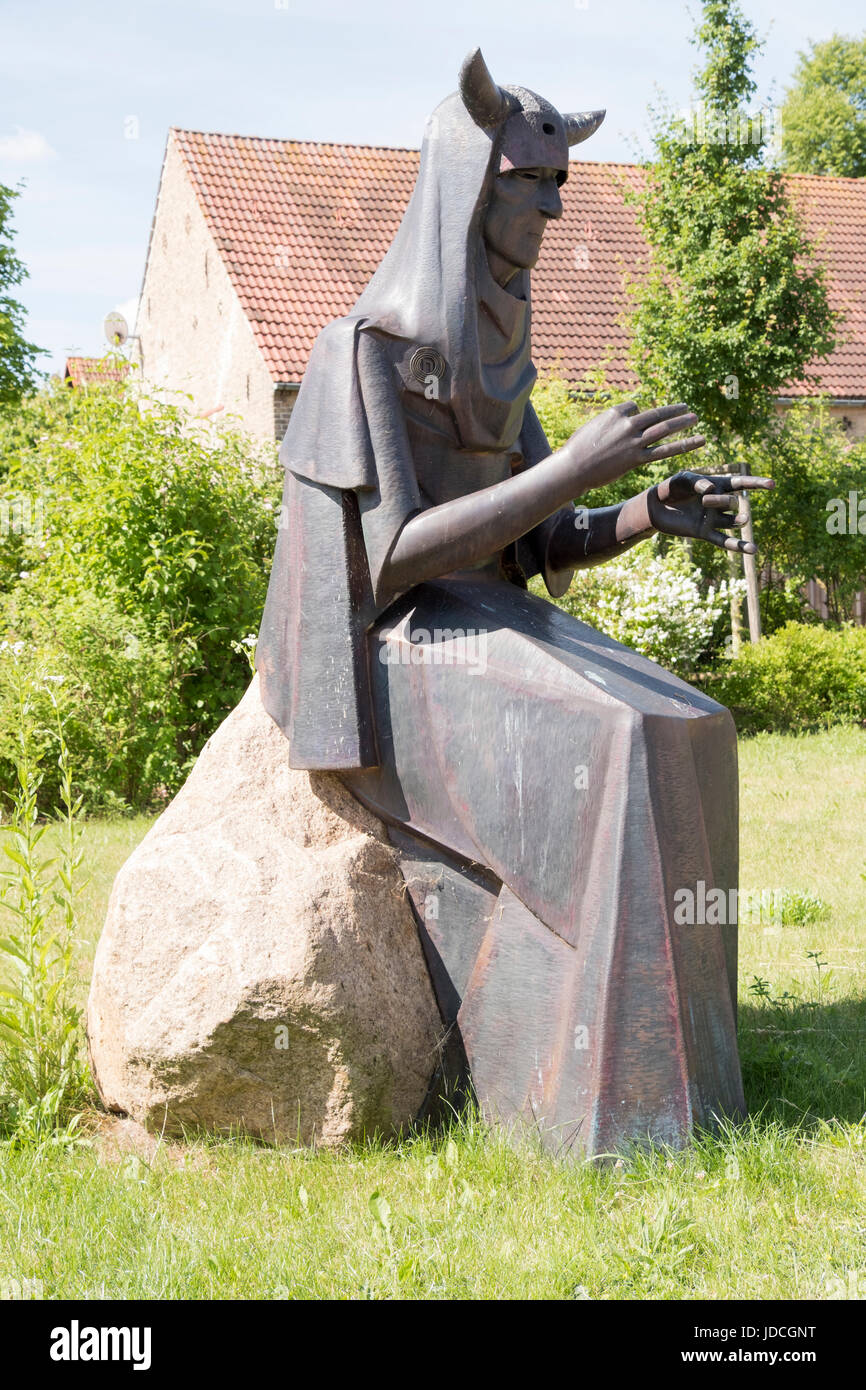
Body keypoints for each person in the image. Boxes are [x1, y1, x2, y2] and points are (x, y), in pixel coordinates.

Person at [257, 50, 769, 1154]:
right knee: (626, 738)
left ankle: (689, 1067)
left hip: (490, 621)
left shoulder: (501, 350)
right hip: (403, 649)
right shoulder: (366, 352)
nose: (543, 204)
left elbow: (538, 540)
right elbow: (389, 559)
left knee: (692, 723)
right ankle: (617, 1112)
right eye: (520, 180)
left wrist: (640, 511)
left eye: (554, 184)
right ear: (464, 184)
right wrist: (568, 470)